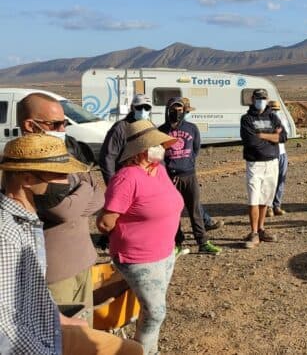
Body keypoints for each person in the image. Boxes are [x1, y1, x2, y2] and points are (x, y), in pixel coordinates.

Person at [0, 134, 142, 355]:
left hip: (47, 331)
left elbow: (35, 293)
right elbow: (5, 328)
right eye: (59, 175)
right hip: (37, 344)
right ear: (27, 179)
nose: (66, 182)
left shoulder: (27, 220)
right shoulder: (7, 234)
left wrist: (63, 320)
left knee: (130, 350)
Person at [97, 120, 184, 355]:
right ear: (143, 149)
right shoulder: (126, 178)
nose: (162, 148)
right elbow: (105, 222)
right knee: (156, 312)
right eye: (157, 144)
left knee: (150, 310)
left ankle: (146, 348)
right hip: (138, 256)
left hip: (164, 251)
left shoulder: (159, 170)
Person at [17, 93, 104, 325]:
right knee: (61, 340)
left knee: (85, 334)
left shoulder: (63, 154)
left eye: (64, 123)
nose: (62, 129)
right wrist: (86, 186)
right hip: (54, 275)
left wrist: (77, 201)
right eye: (55, 124)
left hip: (83, 262)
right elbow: (62, 211)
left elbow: (100, 200)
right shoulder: (23, 164)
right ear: (29, 125)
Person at [159, 97, 221, 255]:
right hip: (170, 177)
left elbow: (195, 150)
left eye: (180, 109)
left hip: (189, 175)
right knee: (173, 212)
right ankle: (177, 243)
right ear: (168, 110)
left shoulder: (191, 128)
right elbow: (159, 155)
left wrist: (186, 164)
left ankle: (203, 242)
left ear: (184, 111)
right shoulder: (161, 131)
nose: (177, 112)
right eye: (173, 109)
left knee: (195, 210)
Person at [240, 88, 282, 248]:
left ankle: (261, 228)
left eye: (263, 98)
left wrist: (262, 135)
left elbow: (283, 137)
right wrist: (273, 137)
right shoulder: (246, 119)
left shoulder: (273, 116)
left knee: (265, 197)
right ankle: (253, 232)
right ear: (252, 99)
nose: (261, 100)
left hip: (272, 162)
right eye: (258, 98)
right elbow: (251, 142)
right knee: (253, 198)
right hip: (255, 163)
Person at [99, 93, 152, 185]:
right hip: (125, 180)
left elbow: (157, 156)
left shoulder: (151, 127)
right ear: (132, 108)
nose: (143, 111)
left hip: (146, 180)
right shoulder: (120, 128)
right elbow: (107, 157)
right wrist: (113, 184)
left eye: (146, 108)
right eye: (139, 107)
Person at [266, 100, 289, 217]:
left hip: (282, 153)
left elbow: (285, 135)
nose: (275, 111)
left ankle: (277, 205)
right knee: (270, 181)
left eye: (276, 109)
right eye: (272, 109)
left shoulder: (282, 119)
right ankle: (268, 207)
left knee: (281, 180)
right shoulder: (264, 121)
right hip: (271, 154)